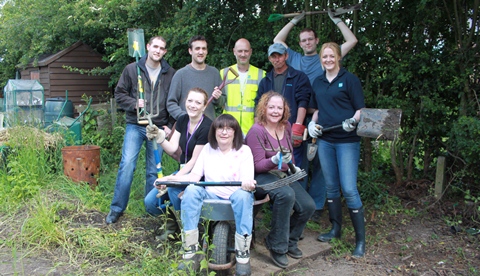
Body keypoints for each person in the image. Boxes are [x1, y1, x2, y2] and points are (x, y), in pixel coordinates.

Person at [273, 10, 358, 221]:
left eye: (311, 39)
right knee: (299, 163)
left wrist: (336, 19)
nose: (307, 42)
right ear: (300, 43)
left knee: (321, 163)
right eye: (304, 40)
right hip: (300, 119)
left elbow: (352, 40)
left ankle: (318, 207)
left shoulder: (326, 59)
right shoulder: (294, 58)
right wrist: (294, 19)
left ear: (317, 41)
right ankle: (300, 205)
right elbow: (277, 40)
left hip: (322, 118)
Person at [155, 114, 256, 275]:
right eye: (220, 128)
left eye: (229, 129)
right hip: (211, 196)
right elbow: (194, 177)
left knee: (244, 196)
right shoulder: (208, 149)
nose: (224, 132)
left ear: (235, 132)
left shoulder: (244, 151)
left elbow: (247, 179)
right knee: (191, 190)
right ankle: (190, 250)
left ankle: (242, 254)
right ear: (214, 131)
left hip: (234, 196)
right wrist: (169, 179)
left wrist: (248, 183)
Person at [106, 36, 176, 224]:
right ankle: (117, 208)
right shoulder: (132, 69)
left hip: (157, 126)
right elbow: (119, 94)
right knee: (127, 164)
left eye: (162, 48)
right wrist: (134, 104)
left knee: (154, 171)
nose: (158, 51)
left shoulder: (170, 73)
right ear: (147, 47)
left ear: (165, 52)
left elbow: (173, 100)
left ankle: (151, 210)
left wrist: (169, 124)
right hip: (136, 125)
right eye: (155, 46)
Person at [245, 91, 315, 268]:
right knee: (285, 195)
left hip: (282, 174)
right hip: (259, 177)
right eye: (271, 107)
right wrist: (274, 160)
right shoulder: (257, 130)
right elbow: (257, 166)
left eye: (279, 107)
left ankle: (289, 240)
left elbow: (289, 153)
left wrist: (293, 166)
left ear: (284, 110)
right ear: (264, 109)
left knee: (308, 206)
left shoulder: (286, 126)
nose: (276, 111)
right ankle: (277, 246)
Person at [308, 42, 365, 258]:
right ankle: (335, 229)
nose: (328, 60)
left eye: (332, 56)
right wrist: (312, 124)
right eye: (325, 57)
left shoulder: (349, 80)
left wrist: (354, 120)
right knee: (331, 188)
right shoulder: (318, 81)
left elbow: (360, 109)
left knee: (349, 189)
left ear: (339, 57)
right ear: (321, 59)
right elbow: (317, 110)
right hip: (326, 140)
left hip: (347, 140)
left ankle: (360, 241)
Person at [144, 87, 213, 240]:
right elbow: (173, 148)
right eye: (190, 101)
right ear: (185, 102)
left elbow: (194, 162)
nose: (193, 105)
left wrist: (171, 179)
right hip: (183, 172)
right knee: (150, 202)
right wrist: (160, 137)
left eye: (198, 102)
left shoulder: (207, 127)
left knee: (174, 190)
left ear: (204, 106)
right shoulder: (182, 120)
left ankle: (189, 231)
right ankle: (174, 226)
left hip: (199, 175)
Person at [255, 43, 312, 179]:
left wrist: (298, 125)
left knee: (295, 167)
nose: (276, 59)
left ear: (286, 56)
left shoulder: (299, 77)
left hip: (290, 129)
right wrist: (258, 128)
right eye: (273, 56)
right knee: (272, 167)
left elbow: (303, 101)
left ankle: (298, 198)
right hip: (270, 133)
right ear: (269, 59)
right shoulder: (266, 80)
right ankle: (279, 198)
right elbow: (258, 106)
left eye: (279, 55)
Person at [167, 35, 225, 121]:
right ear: (190, 51)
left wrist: (218, 98)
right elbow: (171, 103)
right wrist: (184, 118)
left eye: (203, 48)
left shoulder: (214, 73)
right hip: (186, 128)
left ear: (207, 51)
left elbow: (222, 102)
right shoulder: (180, 74)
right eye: (197, 48)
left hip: (208, 127)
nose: (201, 52)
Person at [221, 38, 265, 135]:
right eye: (240, 51)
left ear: (251, 52)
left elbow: (263, 103)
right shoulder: (224, 73)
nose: (243, 54)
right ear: (234, 52)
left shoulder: (261, 74)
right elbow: (220, 101)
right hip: (228, 127)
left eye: (246, 51)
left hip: (252, 129)